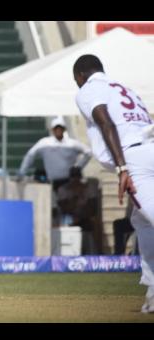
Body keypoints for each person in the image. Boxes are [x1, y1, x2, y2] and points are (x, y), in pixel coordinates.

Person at [73, 54, 154, 313]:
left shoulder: (89, 89)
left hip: (134, 159)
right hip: (148, 149)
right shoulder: (123, 89)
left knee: (150, 217)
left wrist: (121, 168)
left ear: (80, 76)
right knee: (141, 221)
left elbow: (105, 121)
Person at [17, 116, 92, 192]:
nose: (58, 130)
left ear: (64, 129)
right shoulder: (45, 143)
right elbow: (30, 154)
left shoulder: (71, 143)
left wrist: (78, 167)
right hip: (52, 183)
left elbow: (88, 152)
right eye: (56, 128)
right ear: (53, 130)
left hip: (69, 182)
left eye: (60, 128)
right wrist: (22, 172)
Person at [56, 167, 99, 254]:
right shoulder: (63, 189)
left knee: (88, 224)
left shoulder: (88, 188)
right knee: (67, 219)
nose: (75, 180)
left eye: (77, 177)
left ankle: (90, 254)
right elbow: (64, 209)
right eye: (73, 178)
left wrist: (81, 216)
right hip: (68, 219)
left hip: (84, 218)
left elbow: (92, 209)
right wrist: (76, 196)